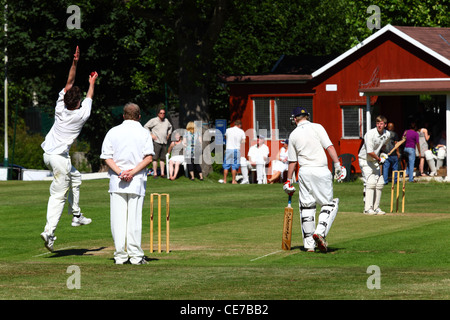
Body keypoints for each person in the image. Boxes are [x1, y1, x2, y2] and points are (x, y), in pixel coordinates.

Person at [40, 46, 98, 252]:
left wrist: (75, 62)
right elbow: (89, 96)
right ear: (78, 102)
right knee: (58, 196)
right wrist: (92, 82)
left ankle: (76, 216)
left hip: (48, 154)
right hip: (58, 159)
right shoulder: (81, 115)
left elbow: (70, 82)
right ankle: (49, 232)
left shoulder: (59, 106)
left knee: (77, 178)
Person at [100, 103, 154, 265]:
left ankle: (120, 256)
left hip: (117, 182)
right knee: (134, 220)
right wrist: (132, 172)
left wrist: (120, 172)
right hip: (136, 182)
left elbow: (106, 157)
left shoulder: (113, 132)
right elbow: (149, 158)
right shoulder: (144, 133)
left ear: (123, 116)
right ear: (139, 116)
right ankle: (136, 257)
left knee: (118, 220)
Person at [283, 107, 342, 253]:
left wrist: (288, 181)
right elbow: (330, 147)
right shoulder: (317, 127)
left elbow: (292, 161)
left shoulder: (294, 134)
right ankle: (320, 232)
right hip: (320, 170)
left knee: (307, 207)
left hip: (304, 172)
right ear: (307, 116)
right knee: (329, 204)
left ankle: (309, 245)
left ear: (295, 119)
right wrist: (337, 165)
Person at [358, 115, 390, 215]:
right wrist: (379, 159)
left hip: (374, 160)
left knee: (379, 183)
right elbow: (370, 152)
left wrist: (382, 154)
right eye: (377, 124)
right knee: (370, 182)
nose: (379, 126)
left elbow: (384, 145)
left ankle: (376, 207)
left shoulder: (387, 134)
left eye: (381, 124)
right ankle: (367, 208)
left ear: (385, 125)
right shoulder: (370, 134)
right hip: (365, 159)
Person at [144, 104, 172, 178]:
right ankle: (155, 173)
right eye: (161, 113)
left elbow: (170, 127)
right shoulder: (154, 120)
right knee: (155, 158)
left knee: (162, 159)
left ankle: (162, 173)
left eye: (163, 113)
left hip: (164, 142)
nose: (162, 114)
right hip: (156, 142)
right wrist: (151, 135)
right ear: (158, 114)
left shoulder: (166, 121)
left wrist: (169, 134)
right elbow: (145, 126)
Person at [222, 120, 246, 184]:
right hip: (236, 150)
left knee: (226, 165)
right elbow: (244, 141)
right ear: (240, 125)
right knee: (234, 165)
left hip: (229, 149)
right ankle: (233, 180)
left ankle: (224, 180)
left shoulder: (228, 130)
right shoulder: (241, 131)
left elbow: (225, 137)